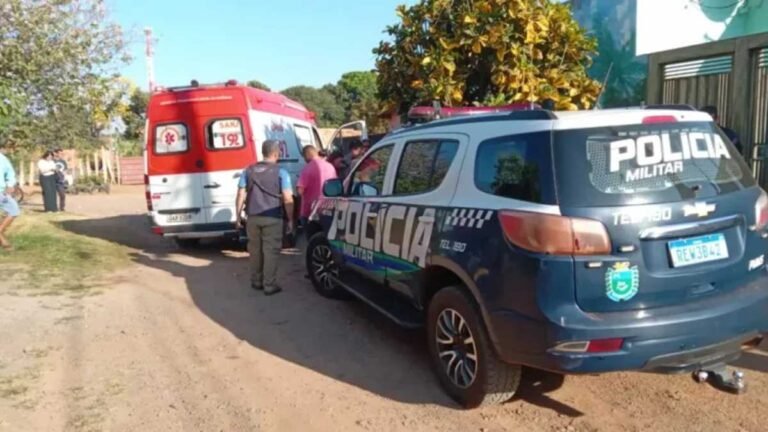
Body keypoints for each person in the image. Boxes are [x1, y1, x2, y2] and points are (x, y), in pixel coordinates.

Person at [235, 140, 294, 295]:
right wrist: (291, 219)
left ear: (263, 152)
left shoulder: (248, 171)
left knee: (255, 251)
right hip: (273, 217)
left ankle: (256, 281)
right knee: (271, 251)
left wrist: (237, 215)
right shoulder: (281, 172)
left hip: (252, 217)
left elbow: (241, 193)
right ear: (276, 154)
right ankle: (269, 285)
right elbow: (288, 198)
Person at [297, 145, 338, 229]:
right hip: (329, 208)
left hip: (310, 211)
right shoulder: (330, 166)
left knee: (313, 239)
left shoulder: (306, 169)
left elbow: (300, 190)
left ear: (306, 155)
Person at [0, 146, 20, 251]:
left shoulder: (2, 158)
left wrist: (10, 184)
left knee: (14, 210)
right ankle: (2, 240)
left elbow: (10, 173)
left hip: (1, 192)